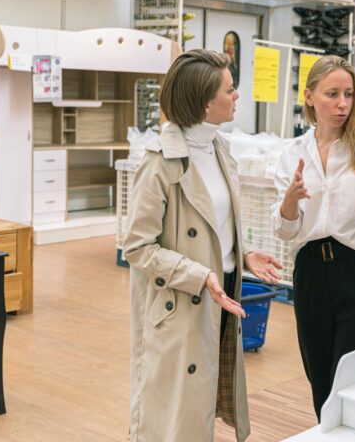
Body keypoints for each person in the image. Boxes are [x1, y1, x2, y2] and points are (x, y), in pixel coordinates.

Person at [125, 49, 283, 441]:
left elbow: (214, 223)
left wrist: (240, 255)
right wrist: (200, 274)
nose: (237, 96)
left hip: (222, 293)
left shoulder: (220, 150)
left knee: (204, 404)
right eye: (230, 90)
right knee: (174, 417)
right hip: (179, 303)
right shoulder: (160, 162)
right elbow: (137, 247)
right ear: (204, 102)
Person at [272, 55, 355, 420]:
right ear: (310, 96)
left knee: (354, 383)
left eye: (349, 94)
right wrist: (288, 203)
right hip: (311, 273)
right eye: (332, 93)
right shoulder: (293, 154)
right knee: (320, 380)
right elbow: (286, 231)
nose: (343, 103)